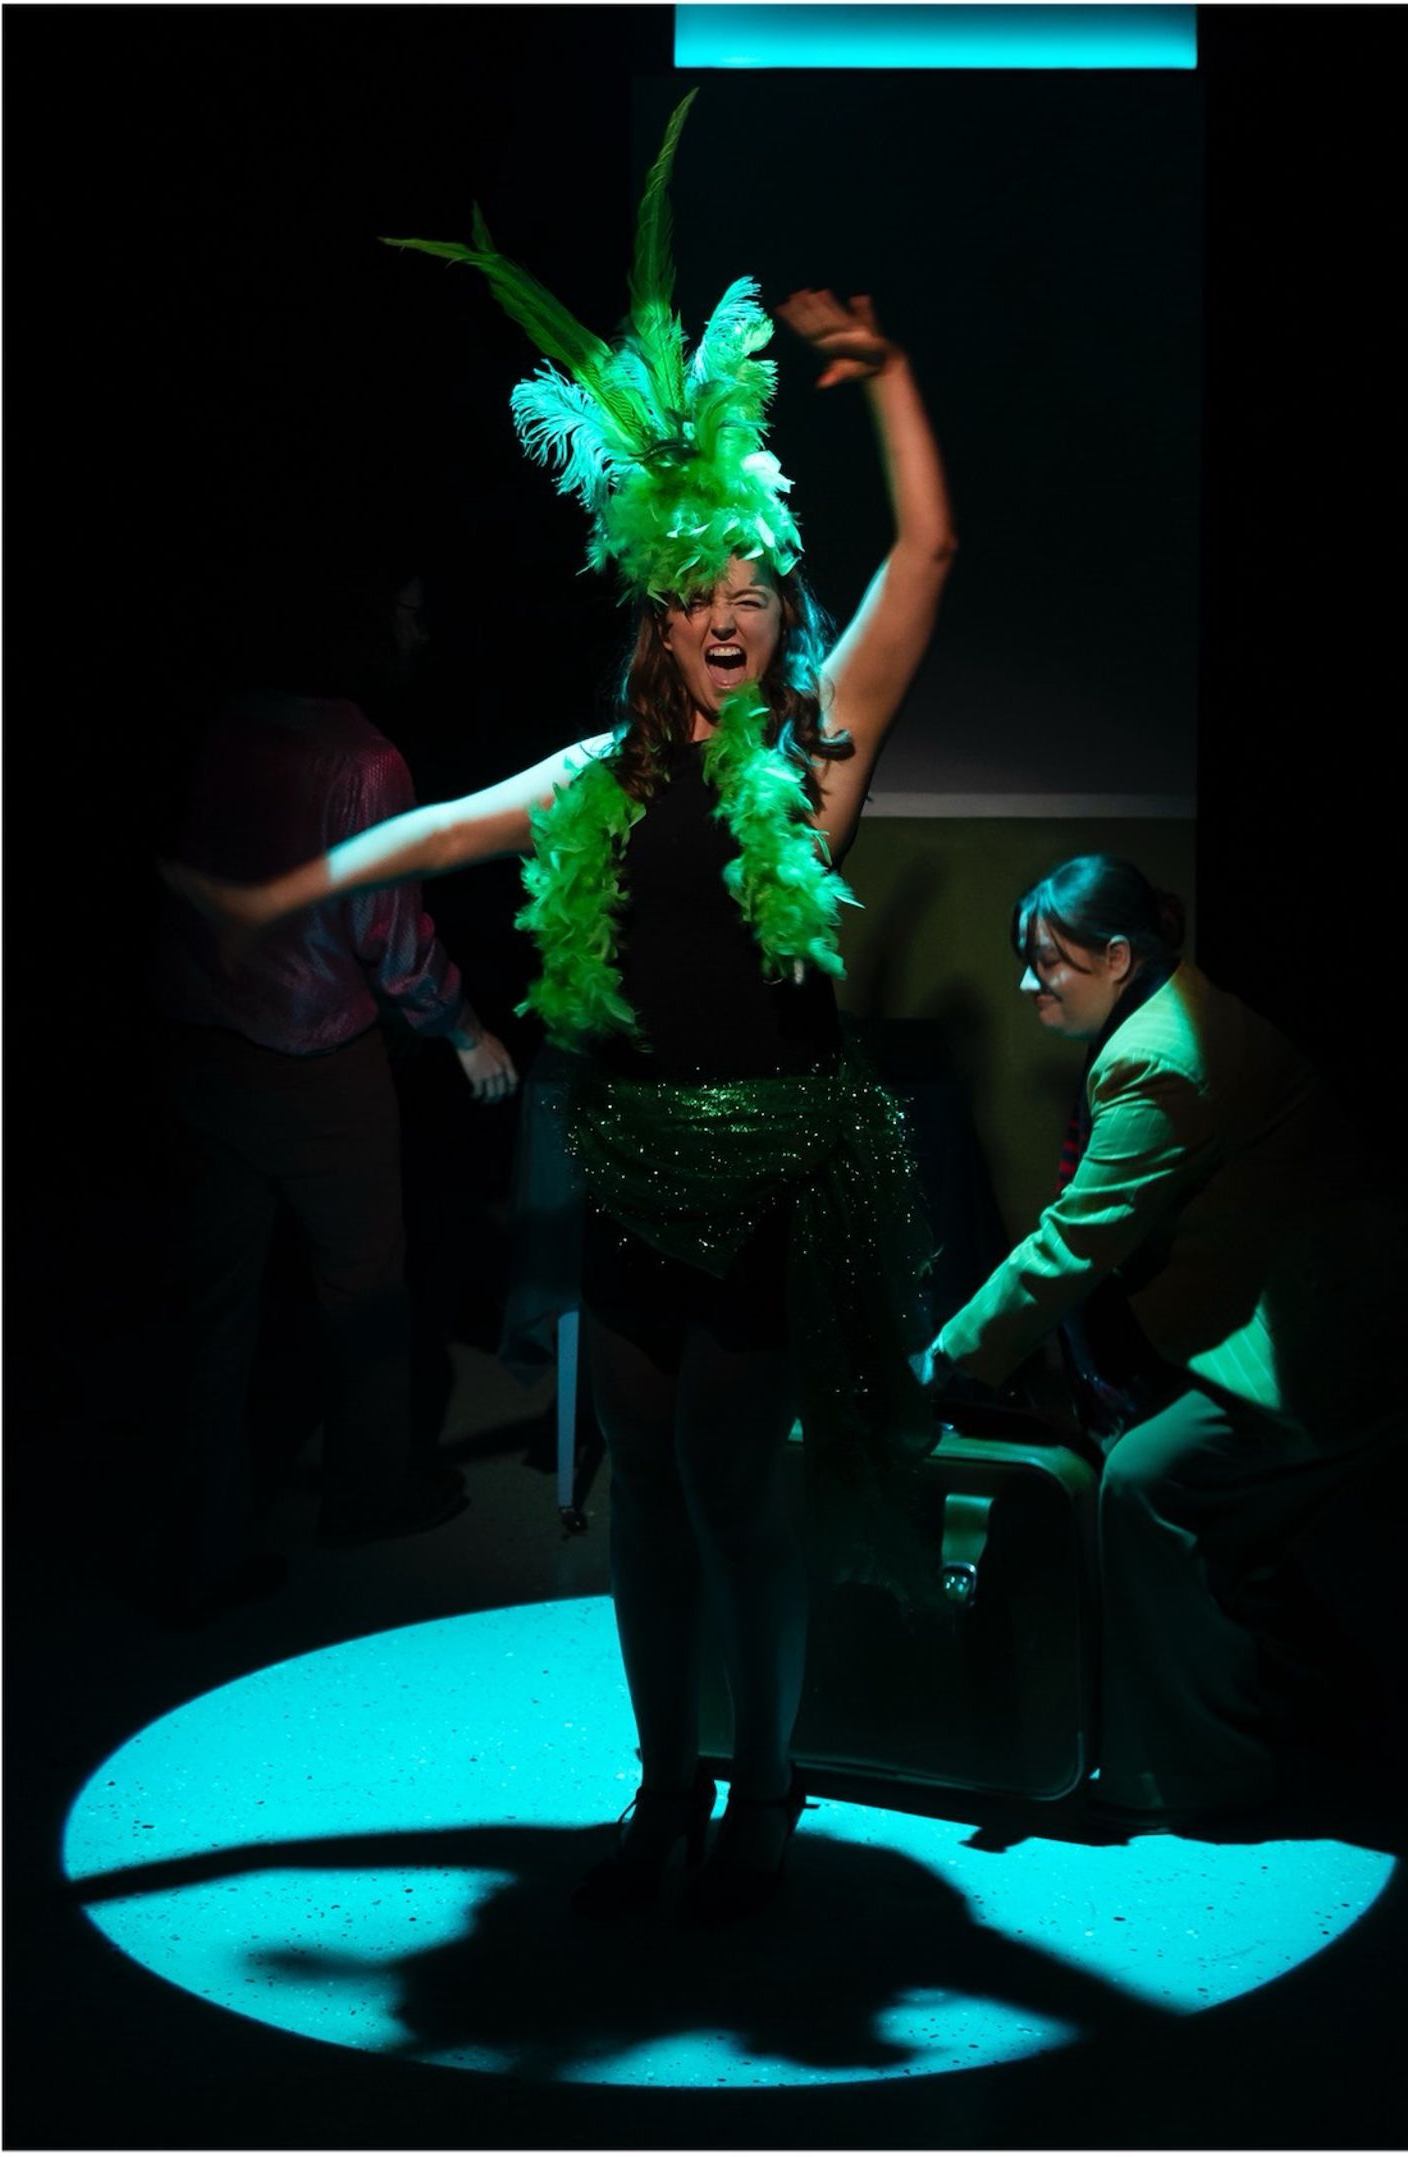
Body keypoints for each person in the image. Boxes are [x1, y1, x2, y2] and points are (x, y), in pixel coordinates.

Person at [174, 92, 957, 1924]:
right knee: (647, 1487)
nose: (736, 615)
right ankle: (666, 1765)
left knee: (736, 1489)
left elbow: (922, 566)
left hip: (766, 1159)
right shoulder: (603, 769)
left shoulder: (818, 763)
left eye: (762, 590)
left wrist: (898, 375)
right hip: (631, 1160)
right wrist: (281, 890)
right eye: (707, 589)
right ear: (658, 605)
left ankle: (769, 1778)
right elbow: (444, 824)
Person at [925, 857, 1398, 1829]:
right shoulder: (1161, 1018)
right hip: (1299, 1319)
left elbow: (1070, 1247)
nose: (1027, 984)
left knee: (1146, 1483)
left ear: (1116, 955)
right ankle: (1301, 1721)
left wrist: (936, 1365)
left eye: (1047, 963)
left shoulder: (1158, 1058)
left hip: (1320, 1351)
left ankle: (1211, 1776)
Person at [152, 574, 515, 1621]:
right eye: (404, 608)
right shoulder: (366, 761)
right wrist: (467, 1031)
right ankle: (370, 1495)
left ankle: (202, 1549)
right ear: (358, 629)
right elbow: (392, 941)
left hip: (199, 1046)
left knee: (211, 1316)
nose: (420, 623)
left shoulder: (224, 728)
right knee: (365, 1290)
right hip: (313, 1061)